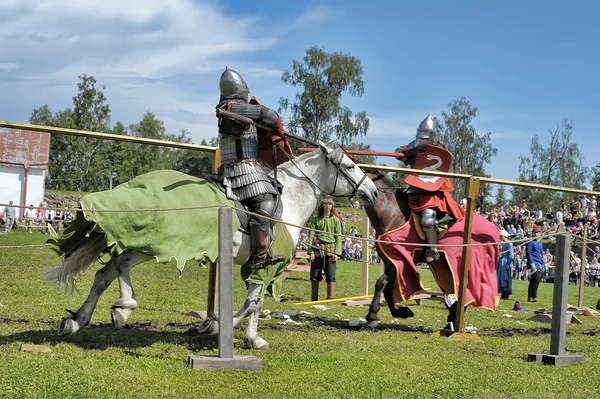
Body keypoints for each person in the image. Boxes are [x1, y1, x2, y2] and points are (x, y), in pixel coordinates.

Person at [215, 67, 290, 270]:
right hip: (242, 170)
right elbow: (270, 116)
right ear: (241, 90)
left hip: (243, 168)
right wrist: (270, 118)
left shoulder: (231, 110)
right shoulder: (234, 108)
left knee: (274, 188)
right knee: (264, 201)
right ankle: (260, 255)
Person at [395, 114, 466, 262]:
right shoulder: (413, 145)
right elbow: (403, 151)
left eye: (425, 135)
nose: (422, 138)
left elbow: (442, 167)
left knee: (428, 219)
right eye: (420, 134)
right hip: (414, 189)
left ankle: (432, 249)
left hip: (432, 193)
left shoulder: (439, 149)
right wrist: (400, 153)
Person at [307, 198, 342, 301]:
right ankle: (314, 298)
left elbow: (338, 237)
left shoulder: (336, 220)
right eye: (325, 204)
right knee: (315, 274)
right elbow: (311, 235)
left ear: (332, 206)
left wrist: (337, 253)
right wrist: (311, 252)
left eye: (329, 204)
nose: (327, 206)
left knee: (331, 274)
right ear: (322, 206)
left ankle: (330, 298)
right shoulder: (316, 219)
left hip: (330, 249)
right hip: (318, 249)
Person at [525, 225, 544, 302]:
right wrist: (531, 263)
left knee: (534, 280)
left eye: (537, 233)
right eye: (534, 233)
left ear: (540, 233)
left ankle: (530, 296)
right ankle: (534, 296)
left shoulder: (540, 243)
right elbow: (528, 253)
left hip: (539, 263)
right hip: (533, 263)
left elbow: (541, 254)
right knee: (536, 279)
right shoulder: (530, 242)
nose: (536, 234)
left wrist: (543, 264)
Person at [496, 229, 514, 299]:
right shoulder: (504, 243)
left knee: (504, 277)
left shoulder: (509, 243)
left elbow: (511, 255)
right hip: (502, 261)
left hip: (505, 262)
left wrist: (508, 264)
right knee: (501, 277)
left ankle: (506, 293)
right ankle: (503, 292)